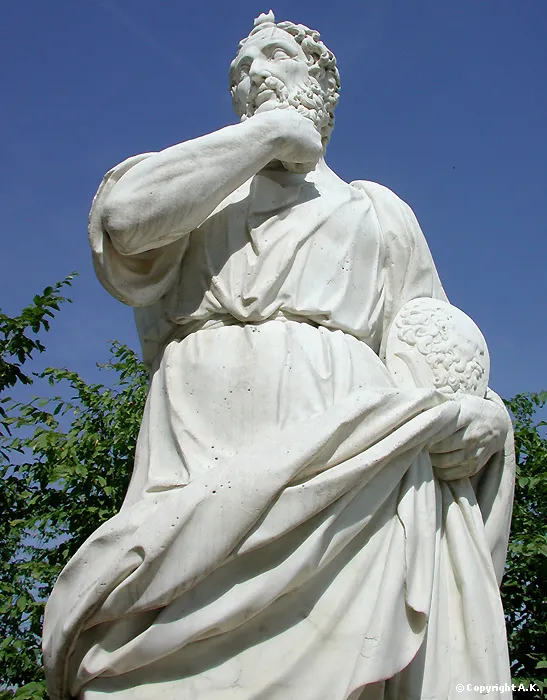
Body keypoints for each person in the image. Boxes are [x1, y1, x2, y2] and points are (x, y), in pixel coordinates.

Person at [43, 12, 515, 699]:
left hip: (352, 454)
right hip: (200, 440)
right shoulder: (199, 189)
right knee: (151, 648)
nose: (253, 74)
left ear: (320, 78)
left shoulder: (376, 211)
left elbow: (436, 347)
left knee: (349, 659)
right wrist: (266, 135)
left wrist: (485, 419)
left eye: (273, 56)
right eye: (240, 69)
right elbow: (123, 221)